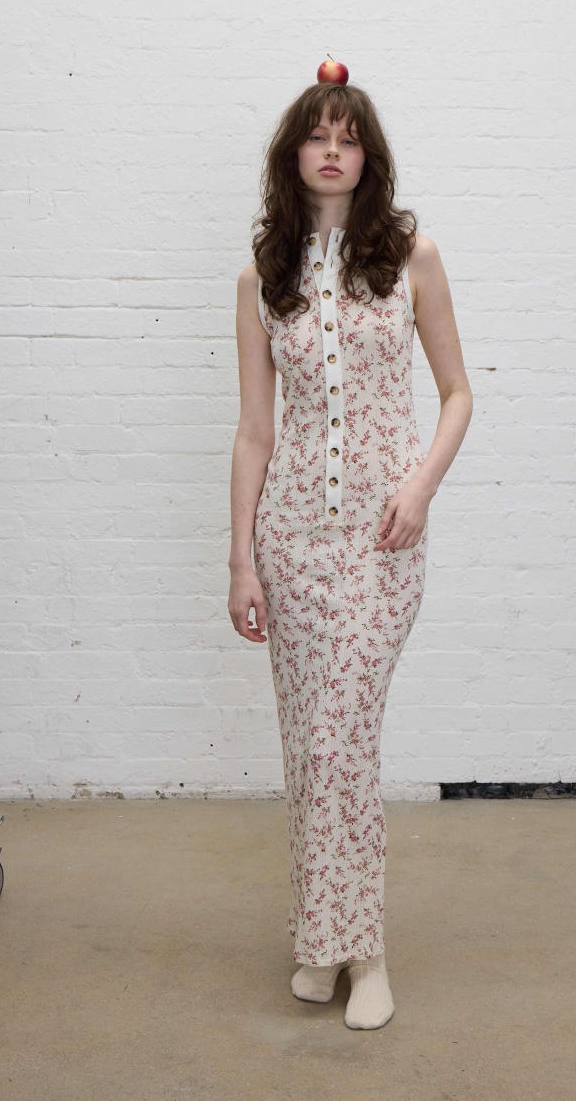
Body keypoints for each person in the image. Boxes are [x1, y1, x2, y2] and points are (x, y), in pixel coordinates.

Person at [228, 76, 472, 1029]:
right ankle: (321, 942)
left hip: (381, 540)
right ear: (293, 155)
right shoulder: (263, 278)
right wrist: (242, 559)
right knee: (307, 745)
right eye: (317, 136)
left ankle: (365, 953)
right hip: (291, 540)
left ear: (368, 156)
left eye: (349, 137)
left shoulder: (413, 258)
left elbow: (457, 394)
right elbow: (256, 430)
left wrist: (419, 486)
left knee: (342, 735)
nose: (332, 150)